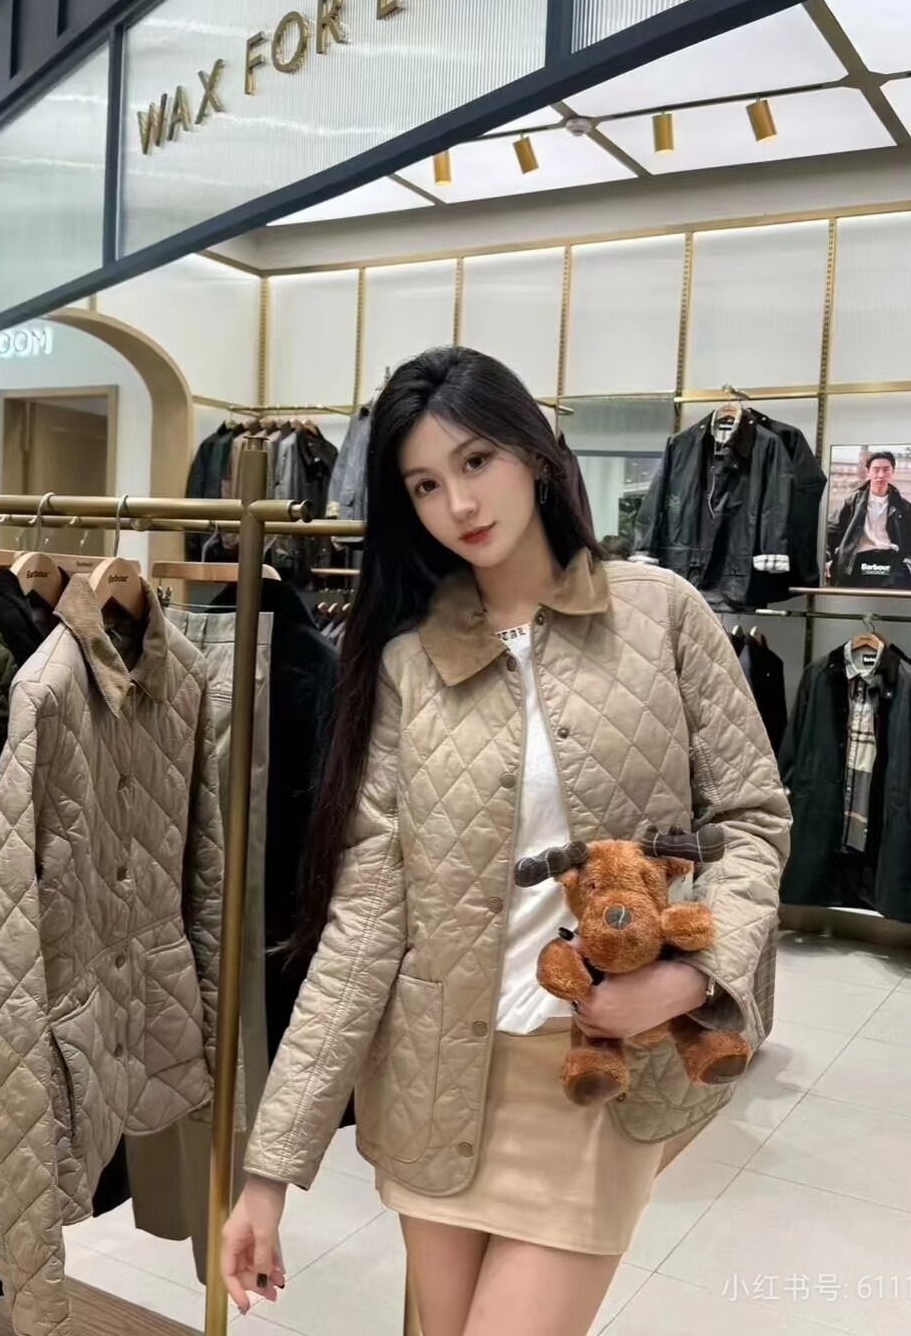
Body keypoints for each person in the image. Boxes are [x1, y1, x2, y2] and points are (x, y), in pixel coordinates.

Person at [221, 347, 790, 1336]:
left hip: (594, 1073)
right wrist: (268, 1171)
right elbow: (365, 923)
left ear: (534, 451)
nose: (459, 503)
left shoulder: (660, 612)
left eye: (476, 460)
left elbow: (752, 821)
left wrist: (690, 979)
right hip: (435, 1086)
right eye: (424, 484)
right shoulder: (406, 665)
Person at [825, 451, 911, 589]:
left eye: (886, 470)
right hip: (856, 563)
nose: (881, 475)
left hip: (892, 565)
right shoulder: (852, 502)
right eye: (876, 469)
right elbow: (831, 533)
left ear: (893, 471)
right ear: (868, 471)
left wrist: (907, 566)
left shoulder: (903, 506)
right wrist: (826, 559)